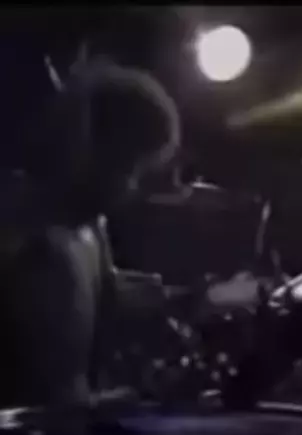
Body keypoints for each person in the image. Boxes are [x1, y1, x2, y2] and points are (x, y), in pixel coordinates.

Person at [1, 57, 181, 407]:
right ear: (88, 147)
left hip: (66, 432)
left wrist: (186, 299)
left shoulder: (93, 229)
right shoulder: (15, 217)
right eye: (128, 166)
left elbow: (108, 296)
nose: (131, 186)